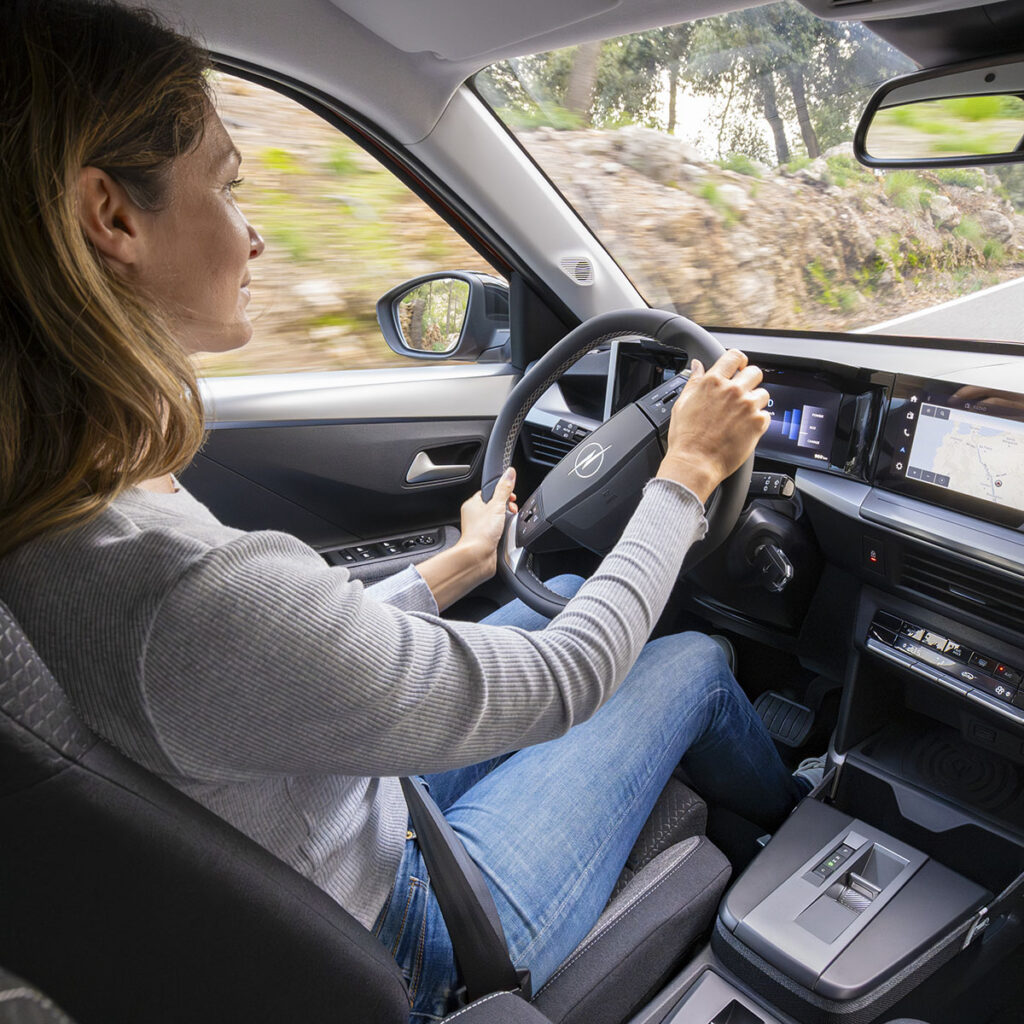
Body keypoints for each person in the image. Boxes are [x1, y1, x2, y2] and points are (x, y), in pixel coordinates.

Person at [0, 1, 806, 1018]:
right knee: (689, 659)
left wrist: (459, 567)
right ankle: (793, 817)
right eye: (227, 186)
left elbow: (282, 663)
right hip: (424, 931)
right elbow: (564, 680)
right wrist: (684, 475)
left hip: (336, 819)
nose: (252, 235)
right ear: (111, 217)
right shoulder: (179, 590)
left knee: (553, 584)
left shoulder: (70, 509)